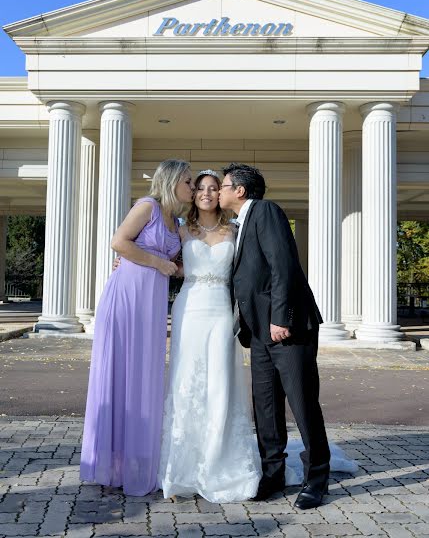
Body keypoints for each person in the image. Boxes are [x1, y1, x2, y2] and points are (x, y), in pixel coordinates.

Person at [219, 163, 330, 509]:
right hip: (258, 334)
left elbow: (284, 265)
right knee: (265, 406)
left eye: (223, 186)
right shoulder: (238, 224)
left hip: (287, 329)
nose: (219, 192)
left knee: (302, 403)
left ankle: (317, 479)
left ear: (240, 190)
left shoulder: (265, 211)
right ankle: (273, 473)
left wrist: (282, 317)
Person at [80, 159, 194, 496]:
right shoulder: (148, 207)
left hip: (153, 304)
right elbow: (119, 242)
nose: (191, 186)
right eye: (188, 181)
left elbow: (184, 264)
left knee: (143, 377)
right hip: (126, 297)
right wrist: (161, 263)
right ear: (172, 181)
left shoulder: (177, 223)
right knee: (119, 373)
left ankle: (137, 459)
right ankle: (110, 464)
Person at [158, 170, 262, 503]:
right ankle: (181, 473)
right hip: (188, 310)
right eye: (199, 188)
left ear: (221, 194)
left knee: (219, 383)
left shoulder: (235, 230)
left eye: (213, 188)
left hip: (220, 311)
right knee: (186, 383)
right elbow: (159, 256)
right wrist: (124, 264)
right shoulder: (179, 228)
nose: (205, 193)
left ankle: (219, 466)